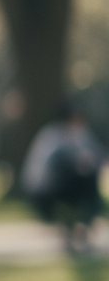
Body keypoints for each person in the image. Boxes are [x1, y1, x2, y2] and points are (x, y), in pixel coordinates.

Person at [21, 104, 106, 254]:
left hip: (64, 184)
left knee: (89, 179)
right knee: (87, 181)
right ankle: (80, 225)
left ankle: (82, 224)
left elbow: (96, 153)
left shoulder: (79, 134)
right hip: (47, 188)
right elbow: (59, 163)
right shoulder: (53, 135)